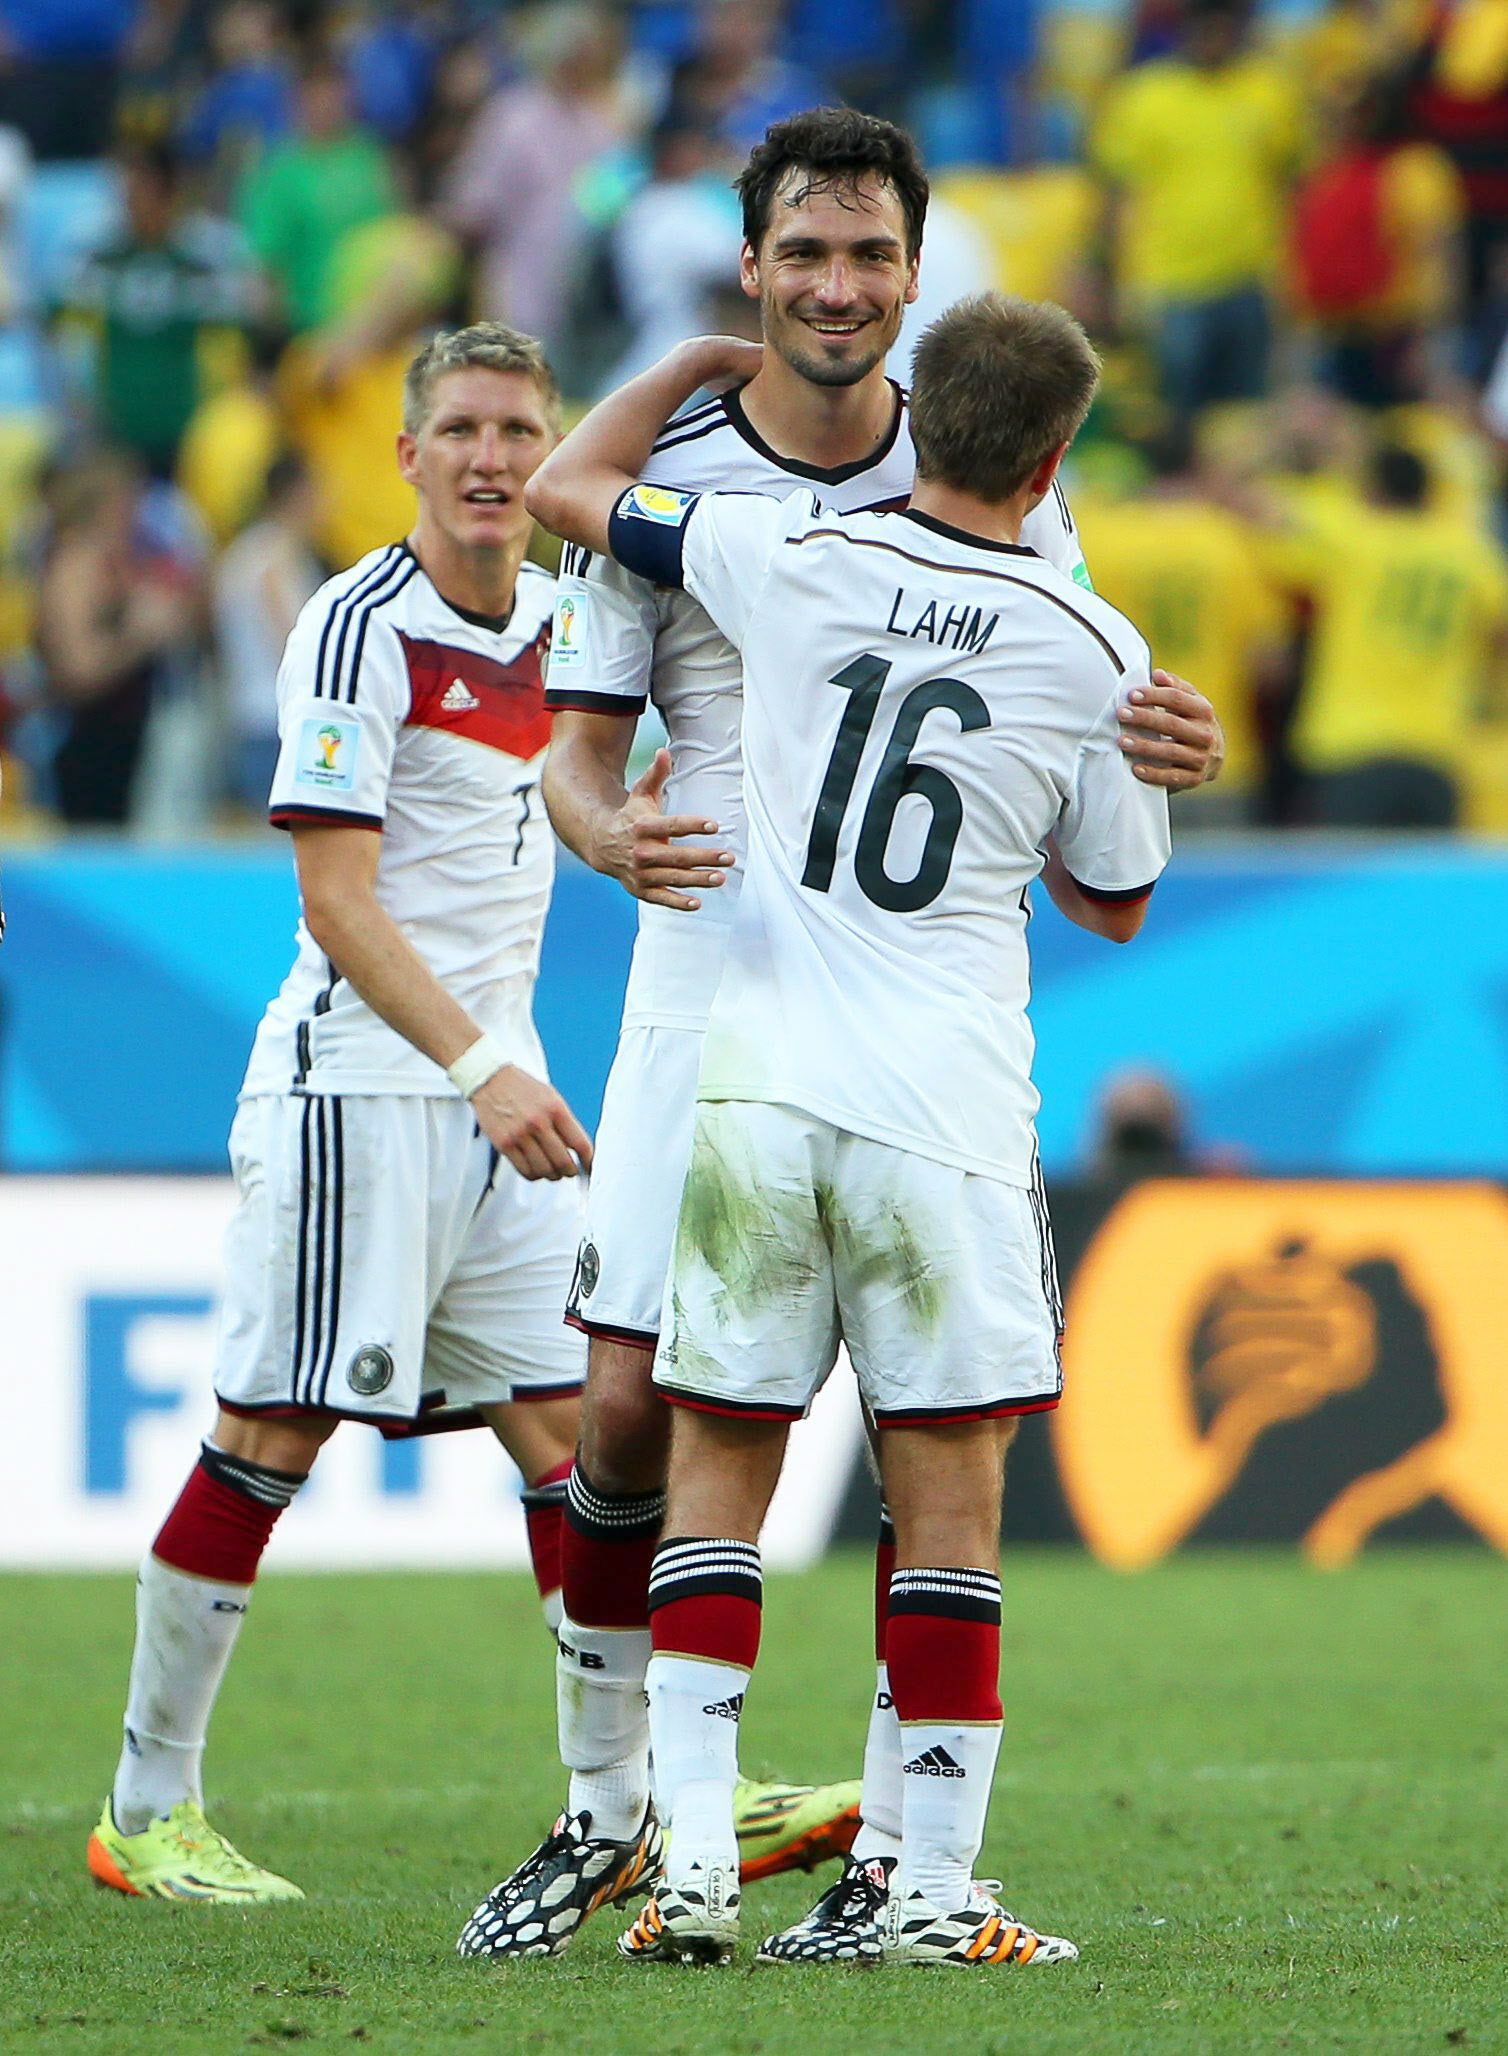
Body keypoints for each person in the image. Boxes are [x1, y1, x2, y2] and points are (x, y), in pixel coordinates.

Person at [459, 106, 1223, 1965]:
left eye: (872, 255)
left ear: (915, 272)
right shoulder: (721, 465)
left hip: (826, 1022)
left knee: (784, 1426)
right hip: (704, 985)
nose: (835, 286)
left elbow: (1060, 751)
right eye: (803, 253)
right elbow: (571, 757)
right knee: (644, 1415)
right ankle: (613, 1817)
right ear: (752, 265)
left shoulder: (968, 503)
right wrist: (608, 829)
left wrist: (1143, 748)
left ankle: (858, 1849)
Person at [85, 322, 595, 1905]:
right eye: (462, 429)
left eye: (519, 429)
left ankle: (621, 1800)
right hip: (362, 1086)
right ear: (408, 453)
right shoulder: (358, 623)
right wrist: (480, 1068)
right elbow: (338, 897)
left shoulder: (571, 624)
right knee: (272, 1429)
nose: (493, 457)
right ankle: (143, 1810)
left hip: (498, 1094)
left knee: (578, 1435)